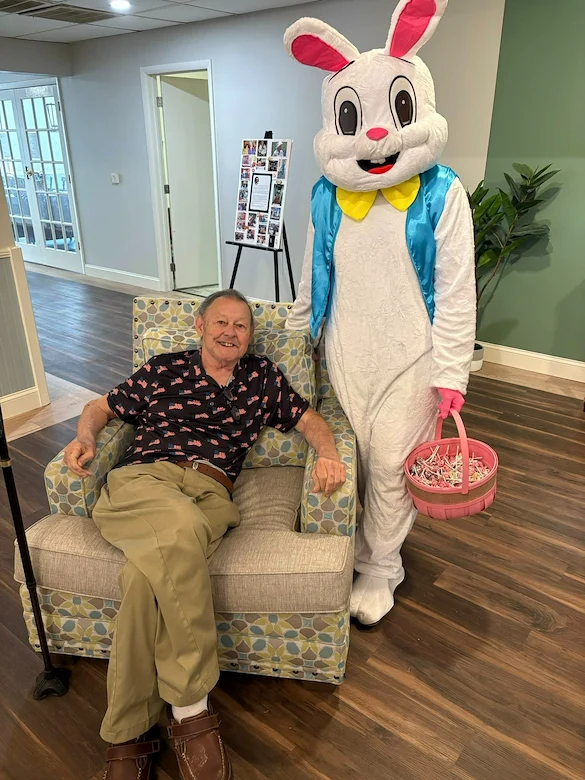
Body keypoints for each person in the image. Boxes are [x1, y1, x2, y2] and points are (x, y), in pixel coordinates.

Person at [63, 290, 346, 780]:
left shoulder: (262, 378)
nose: (229, 332)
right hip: (144, 481)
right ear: (200, 326)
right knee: (181, 529)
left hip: (212, 494)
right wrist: (85, 437)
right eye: (220, 322)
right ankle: (191, 709)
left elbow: (310, 420)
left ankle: (130, 732)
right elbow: (100, 407)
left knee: (142, 581)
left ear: (249, 336)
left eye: (240, 325)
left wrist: (329, 454)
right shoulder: (164, 368)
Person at [284, 0, 476, 626]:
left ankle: (379, 566)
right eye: (352, 117)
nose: (373, 135)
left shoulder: (442, 193)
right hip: (346, 350)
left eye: (392, 111)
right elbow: (314, 273)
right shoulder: (326, 195)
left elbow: (456, 290)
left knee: (394, 460)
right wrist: (297, 337)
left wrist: (451, 371)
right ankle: (362, 547)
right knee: (361, 458)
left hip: (412, 353)